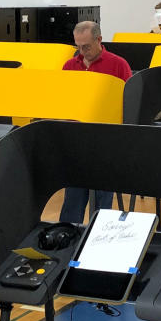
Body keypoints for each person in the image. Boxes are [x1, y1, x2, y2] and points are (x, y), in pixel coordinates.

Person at [59, 21, 132, 224]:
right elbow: (62, 101)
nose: (82, 52)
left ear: (99, 40)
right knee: (73, 198)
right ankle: (68, 235)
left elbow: (128, 105)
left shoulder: (119, 64)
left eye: (87, 47)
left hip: (106, 141)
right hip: (77, 139)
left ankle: (97, 235)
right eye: (78, 47)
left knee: (102, 200)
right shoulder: (70, 66)